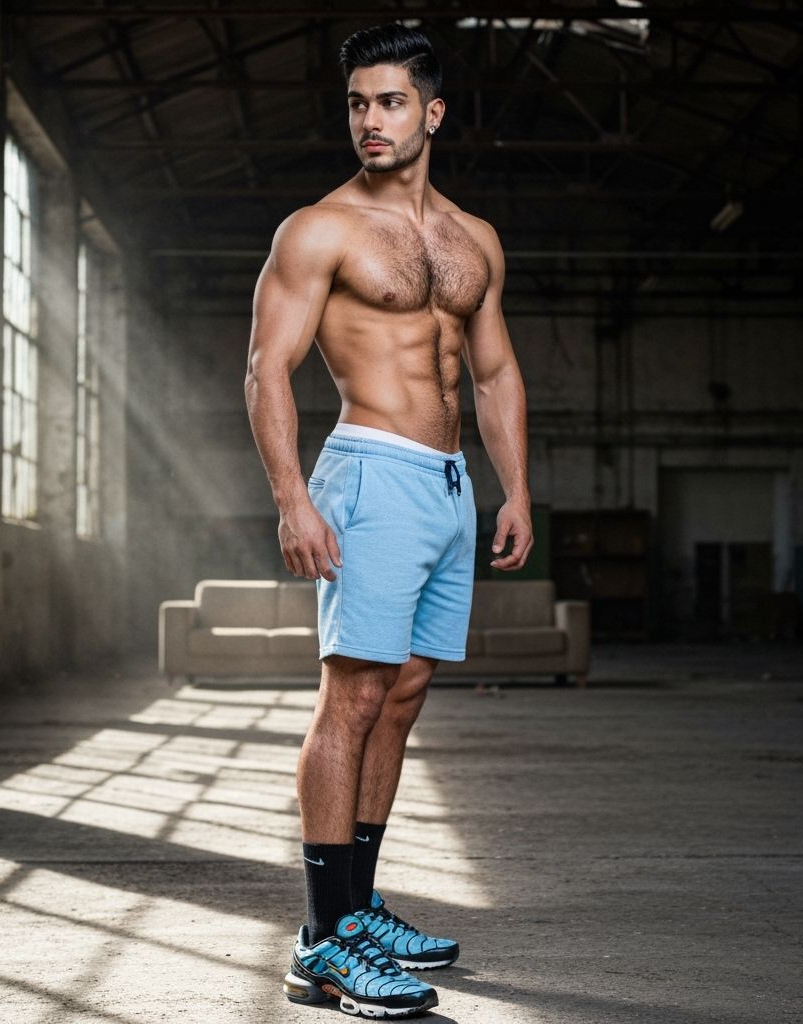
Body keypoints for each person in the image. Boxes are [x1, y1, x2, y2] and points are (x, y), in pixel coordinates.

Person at [244, 23, 532, 1019]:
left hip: (449, 486)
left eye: (391, 102)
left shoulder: (471, 239)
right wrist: (291, 496)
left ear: (431, 112)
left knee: (403, 695)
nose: (370, 120)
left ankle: (358, 911)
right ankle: (322, 944)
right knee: (351, 699)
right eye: (359, 104)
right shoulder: (317, 230)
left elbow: (491, 370)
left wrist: (516, 488)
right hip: (367, 472)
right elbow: (265, 368)